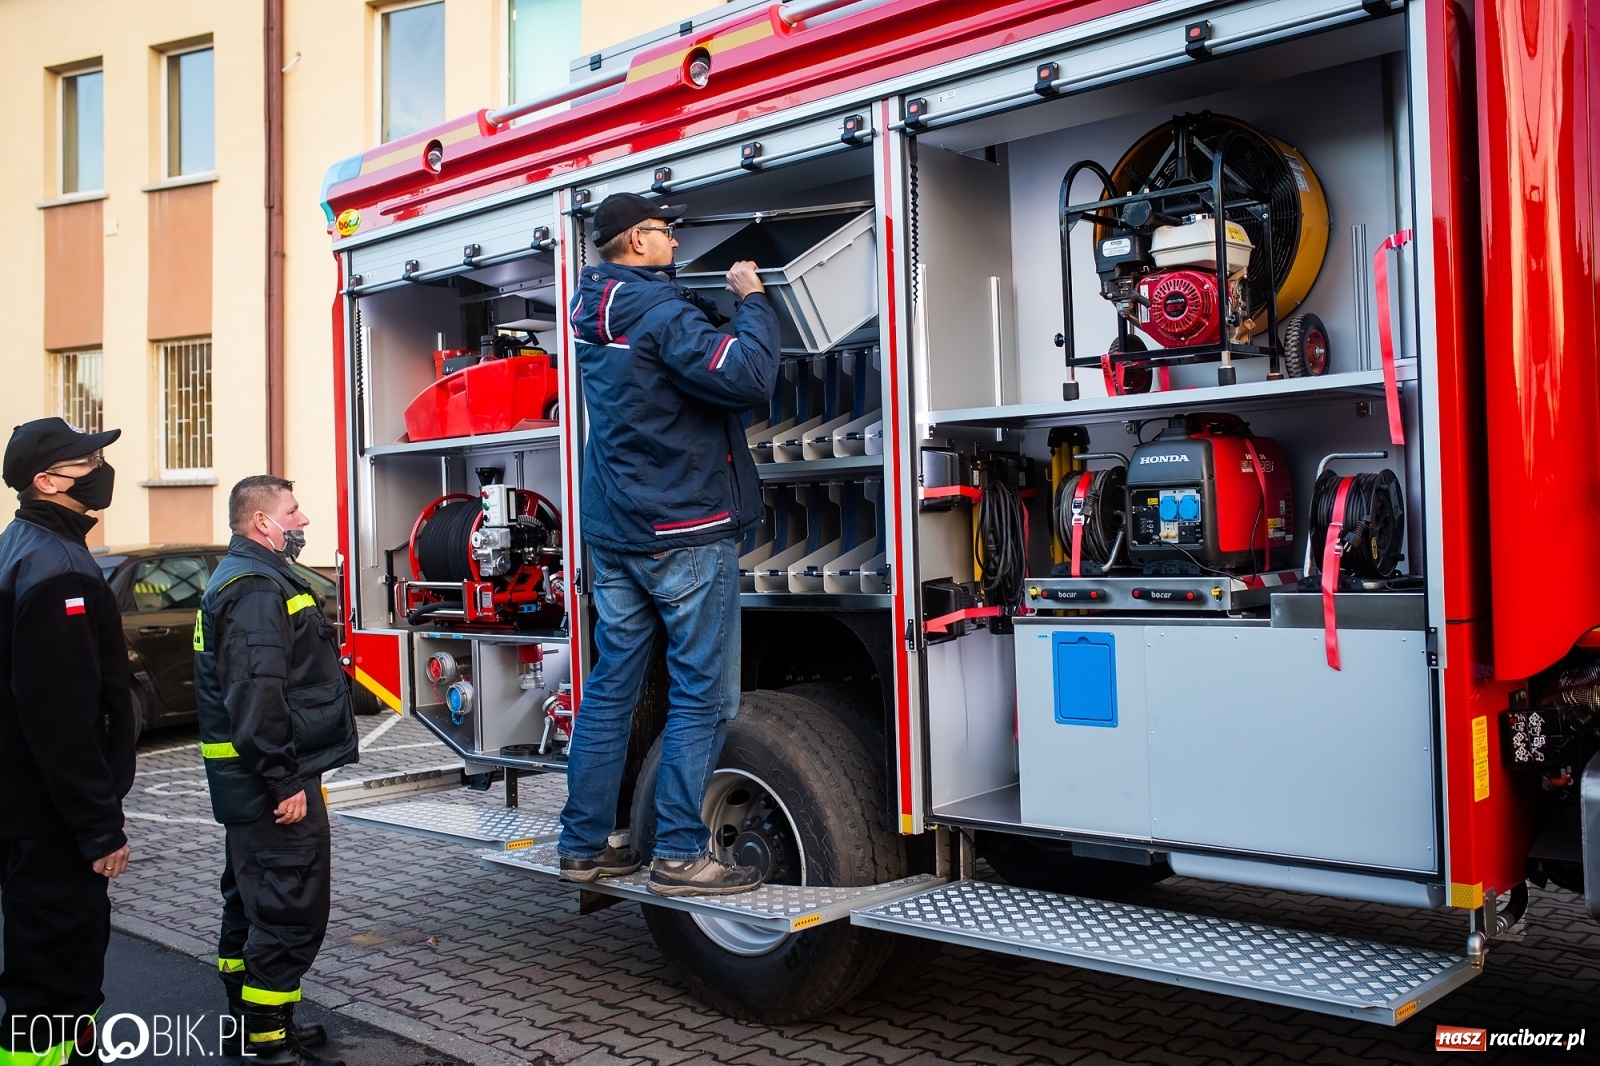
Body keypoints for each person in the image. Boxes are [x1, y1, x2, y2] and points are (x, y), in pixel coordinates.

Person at [558, 192, 781, 897]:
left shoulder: (592, 308)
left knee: (610, 692)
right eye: (664, 232)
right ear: (634, 240)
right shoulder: (660, 313)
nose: (675, 243)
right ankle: (682, 853)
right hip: (681, 531)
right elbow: (747, 376)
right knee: (702, 699)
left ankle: (583, 844)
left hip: (617, 532)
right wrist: (752, 301)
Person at [194, 476, 357, 1066]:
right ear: (263, 523)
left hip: (254, 783)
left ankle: (254, 1021)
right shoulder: (257, 587)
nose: (303, 520)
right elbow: (257, 696)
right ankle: (267, 1037)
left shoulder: (250, 579)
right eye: (293, 512)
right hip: (271, 784)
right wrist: (284, 780)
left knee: (253, 901)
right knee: (290, 906)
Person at [0, 417, 136, 1065]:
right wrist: (99, 826)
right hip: (52, 820)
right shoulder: (58, 568)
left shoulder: (21, 545)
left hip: (27, 808)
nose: (102, 470)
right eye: (86, 463)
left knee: (47, 963)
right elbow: (61, 716)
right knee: (56, 974)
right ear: (46, 481)